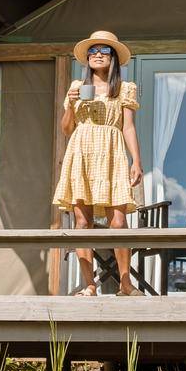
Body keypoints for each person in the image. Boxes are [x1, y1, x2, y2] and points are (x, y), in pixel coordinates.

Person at [53, 28, 144, 296]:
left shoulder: (125, 89)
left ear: (114, 57)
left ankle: (126, 284)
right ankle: (89, 284)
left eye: (105, 50)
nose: (98, 54)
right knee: (83, 222)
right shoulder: (76, 88)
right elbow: (66, 129)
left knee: (118, 221)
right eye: (93, 51)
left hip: (112, 151)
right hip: (81, 150)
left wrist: (136, 161)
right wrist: (70, 105)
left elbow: (128, 127)